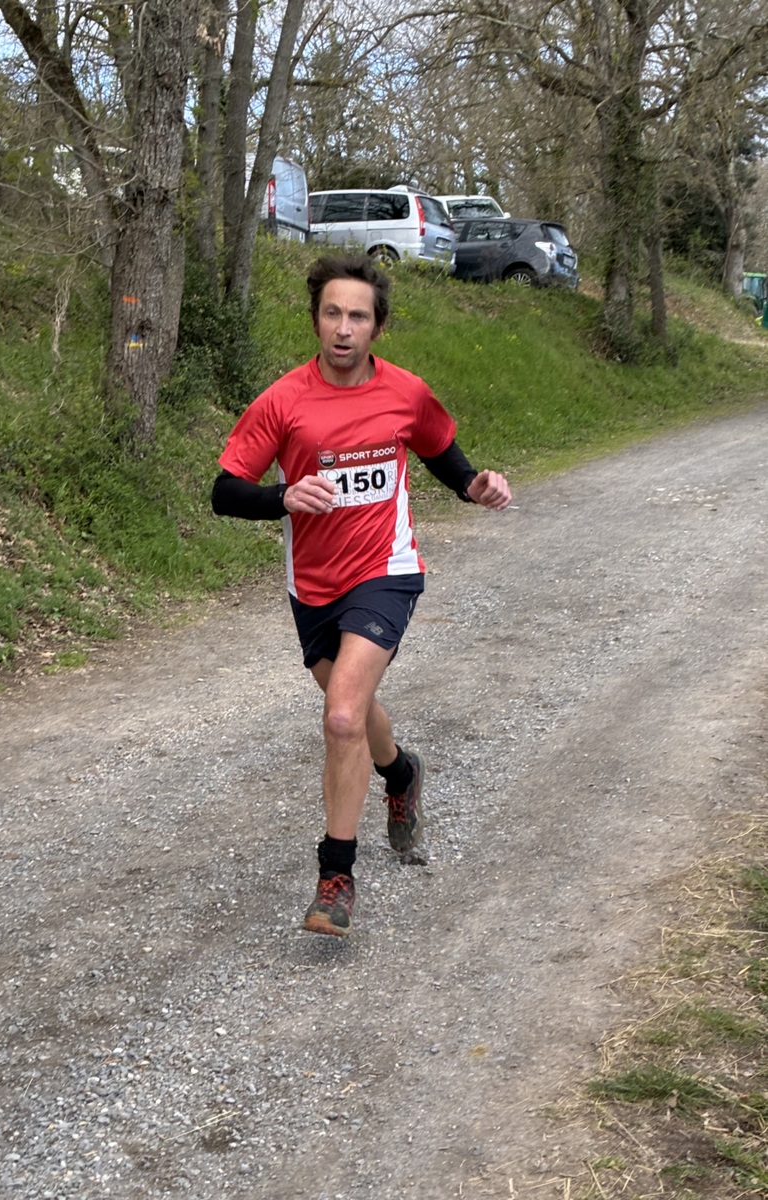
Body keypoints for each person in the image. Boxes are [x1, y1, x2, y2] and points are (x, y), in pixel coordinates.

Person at [212, 254, 511, 937]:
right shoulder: (283, 401)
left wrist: (475, 488)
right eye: (332, 314)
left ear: (377, 326)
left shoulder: (405, 393)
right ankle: (400, 775)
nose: (343, 328)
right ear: (316, 320)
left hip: (386, 570)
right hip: (313, 585)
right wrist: (282, 496)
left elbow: (444, 455)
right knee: (352, 710)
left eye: (358, 316)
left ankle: (335, 878)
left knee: (342, 716)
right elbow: (224, 491)